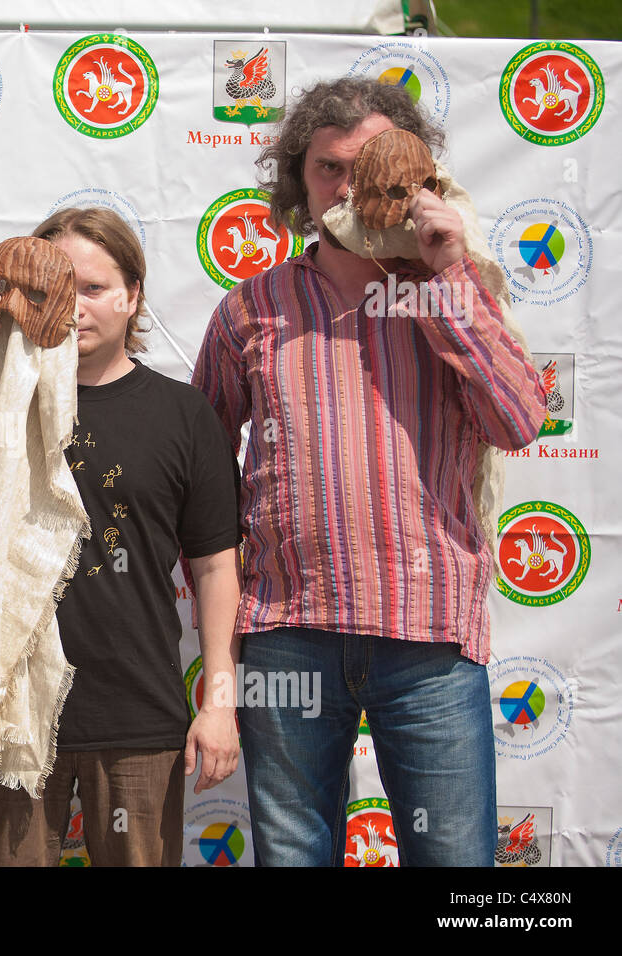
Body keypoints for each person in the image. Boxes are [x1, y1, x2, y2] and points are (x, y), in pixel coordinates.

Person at [193, 77, 546, 866]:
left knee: (454, 862)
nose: (349, 187)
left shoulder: (452, 288)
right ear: (299, 185)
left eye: (374, 168)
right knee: (291, 858)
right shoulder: (252, 307)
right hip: (289, 632)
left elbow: (520, 420)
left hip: (428, 636)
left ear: (418, 178)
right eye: (328, 169)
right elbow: (201, 462)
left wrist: (447, 274)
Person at [0, 207, 242, 866]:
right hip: (11, 719)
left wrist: (220, 702)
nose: (76, 307)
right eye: (55, 288)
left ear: (132, 295)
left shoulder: (183, 416)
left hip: (139, 716)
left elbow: (215, 570)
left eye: (94, 287)